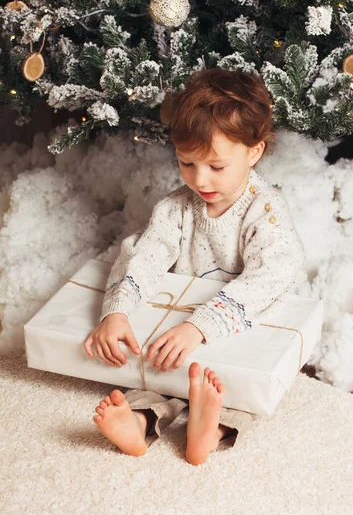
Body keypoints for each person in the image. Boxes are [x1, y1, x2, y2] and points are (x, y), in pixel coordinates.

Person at [83, 68, 306, 466]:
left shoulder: (265, 211)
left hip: (243, 319)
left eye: (216, 167)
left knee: (239, 387)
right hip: (184, 323)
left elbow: (271, 277)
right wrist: (116, 313)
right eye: (186, 163)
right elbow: (145, 255)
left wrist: (200, 327)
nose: (199, 179)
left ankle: (211, 425)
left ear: (253, 152)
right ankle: (139, 420)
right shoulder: (176, 208)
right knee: (155, 368)